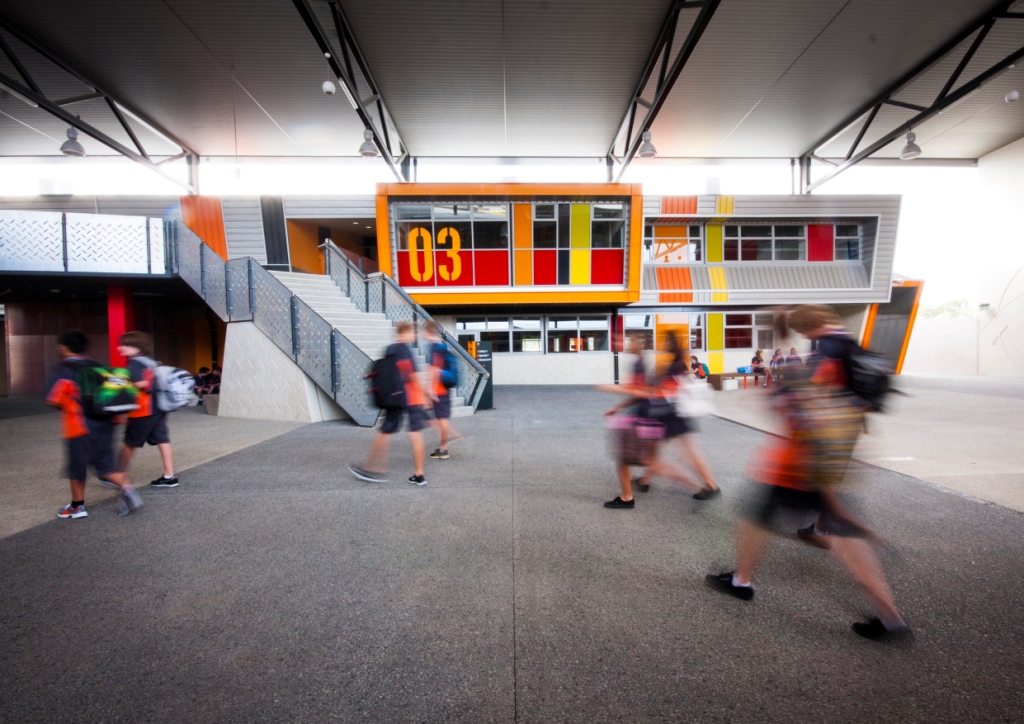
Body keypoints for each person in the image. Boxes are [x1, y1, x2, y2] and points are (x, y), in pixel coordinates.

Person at [705, 305, 909, 641]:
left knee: (754, 517)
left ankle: (741, 581)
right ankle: (891, 619)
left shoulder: (825, 353)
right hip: (832, 454)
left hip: (799, 459)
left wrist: (778, 394)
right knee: (839, 528)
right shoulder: (851, 348)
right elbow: (858, 403)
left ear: (806, 329)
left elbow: (801, 404)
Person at [45, 329, 142, 519]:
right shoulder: (99, 367)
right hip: (106, 423)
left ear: (63, 347)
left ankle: (78, 506)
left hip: (79, 426)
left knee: (77, 467)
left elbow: (53, 400)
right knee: (105, 465)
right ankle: (125, 488)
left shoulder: (62, 370)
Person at [349, 321, 428, 486]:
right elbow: (410, 373)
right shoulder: (404, 349)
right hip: (410, 397)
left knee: (386, 430)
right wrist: (423, 394)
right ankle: (419, 475)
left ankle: (372, 468)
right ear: (405, 332)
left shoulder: (390, 349)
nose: (415, 336)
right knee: (415, 433)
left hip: (394, 397)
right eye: (413, 333)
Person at [115, 331, 178, 489]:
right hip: (160, 407)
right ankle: (169, 476)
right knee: (163, 439)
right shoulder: (152, 361)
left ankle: (116, 475)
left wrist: (125, 385)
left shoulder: (134, 362)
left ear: (136, 347)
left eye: (125, 345)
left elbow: (142, 383)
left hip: (143, 410)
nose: (120, 348)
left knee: (129, 442)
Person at [425, 322, 460, 460]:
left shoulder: (435, 348)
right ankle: (449, 439)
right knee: (436, 418)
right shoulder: (442, 347)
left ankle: (444, 447)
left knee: (441, 419)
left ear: (429, 332)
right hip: (443, 388)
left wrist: (430, 390)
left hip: (439, 390)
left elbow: (434, 369)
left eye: (424, 332)